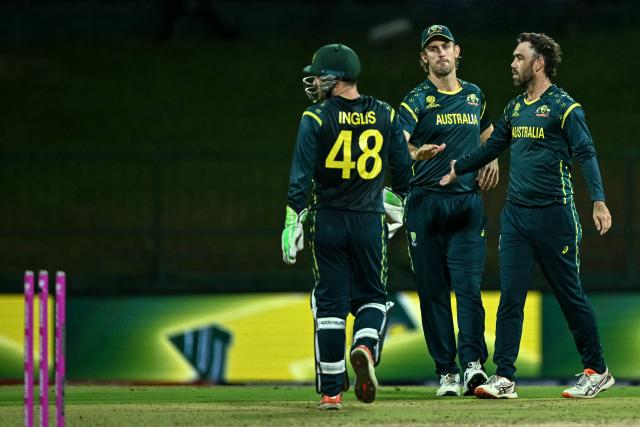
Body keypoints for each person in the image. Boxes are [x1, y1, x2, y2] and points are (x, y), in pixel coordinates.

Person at [440, 32, 614, 399]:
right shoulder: (515, 108)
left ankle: (597, 370)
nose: (513, 63)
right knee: (511, 298)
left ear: (539, 63)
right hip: (517, 219)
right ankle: (504, 377)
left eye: (520, 57)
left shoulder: (566, 107)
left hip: (555, 218)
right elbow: (494, 145)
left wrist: (598, 201)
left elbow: (586, 153)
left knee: (570, 296)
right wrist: (460, 167)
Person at [281, 43, 412, 410]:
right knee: (372, 298)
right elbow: (402, 170)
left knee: (330, 305)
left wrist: (293, 217)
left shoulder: (316, 117)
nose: (315, 81)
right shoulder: (385, 113)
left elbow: (301, 176)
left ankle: (331, 392)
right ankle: (365, 346)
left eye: (320, 75)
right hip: (370, 221)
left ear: (336, 78)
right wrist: (398, 203)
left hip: (328, 220)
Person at [396, 24, 499, 397]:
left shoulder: (474, 95)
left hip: (466, 204)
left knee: (469, 288)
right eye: (433, 49)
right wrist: (414, 154)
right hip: (425, 203)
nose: (440, 53)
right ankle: (447, 373)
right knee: (433, 291)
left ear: (458, 52)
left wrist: (492, 158)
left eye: (446, 47)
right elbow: (398, 146)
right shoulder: (416, 100)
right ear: (424, 58)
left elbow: (486, 132)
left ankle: (473, 366)